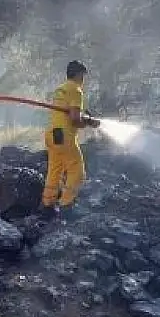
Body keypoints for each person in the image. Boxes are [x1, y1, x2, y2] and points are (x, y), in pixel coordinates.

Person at [42, 60, 100, 219]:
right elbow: (74, 119)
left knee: (55, 169)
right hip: (65, 135)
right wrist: (89, 123)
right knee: (77, 171)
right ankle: (66, 205)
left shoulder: (60, 89)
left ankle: (48, 205)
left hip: (52, 135)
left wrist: (85, 118)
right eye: (83, 76)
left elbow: (66, 113)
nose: (84, 80)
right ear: (78, 74)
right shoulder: (76, 90)